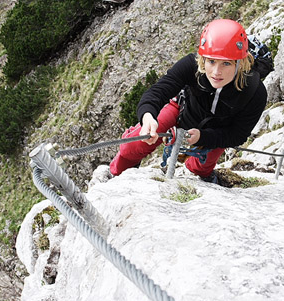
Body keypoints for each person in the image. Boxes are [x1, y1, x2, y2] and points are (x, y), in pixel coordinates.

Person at [109, 19, 268, 183]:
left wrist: (202, 137)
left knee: (200, 168)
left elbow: (237, 135)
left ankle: (202, 172)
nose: (216, 72)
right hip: (182, 111)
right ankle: (115, 176)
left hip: (217, 132)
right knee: (133, 146)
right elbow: (159, 91)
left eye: (226, 63)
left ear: (239, 63)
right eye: (211, 61)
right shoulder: (192, 66)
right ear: (203, 59)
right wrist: (148, 116)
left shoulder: (255, 92)